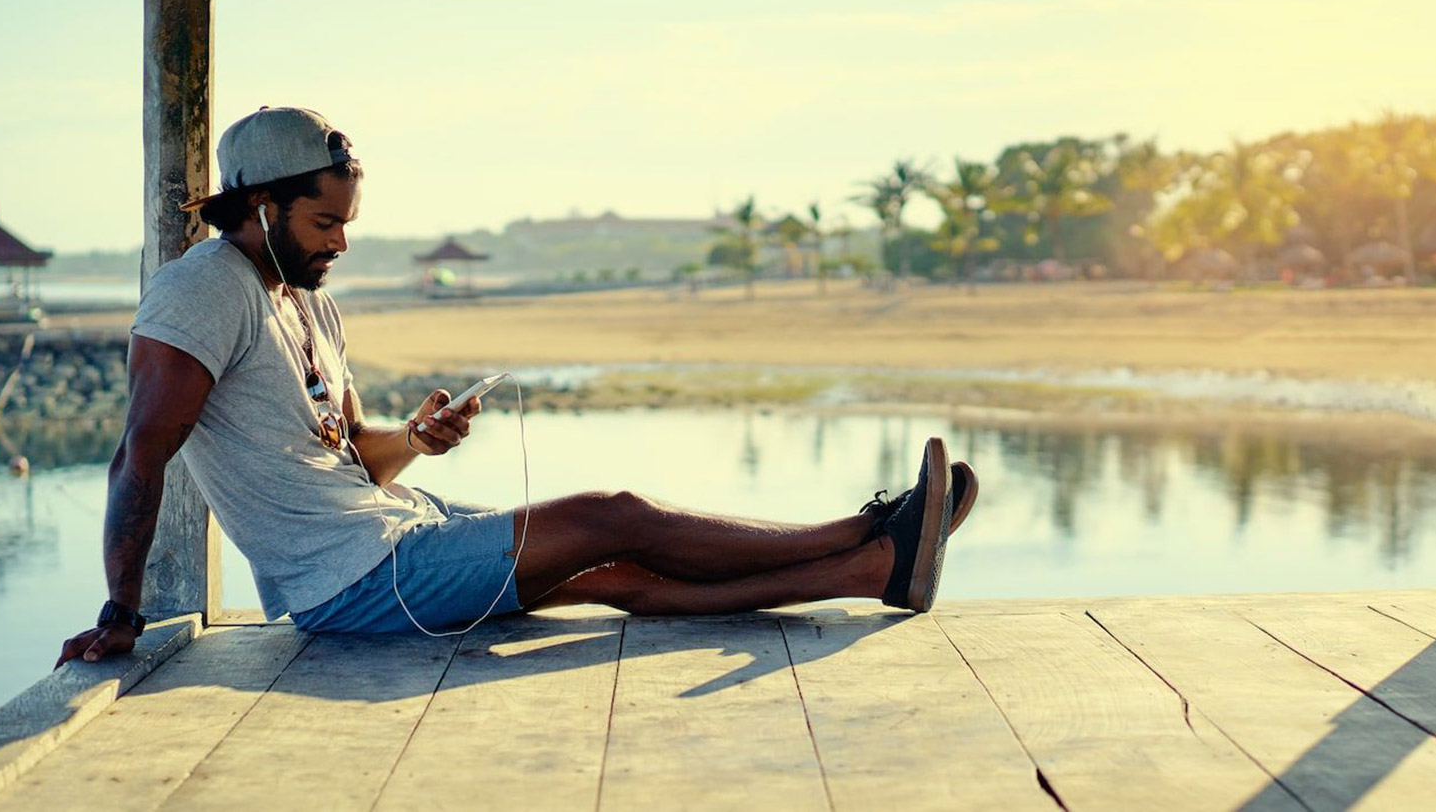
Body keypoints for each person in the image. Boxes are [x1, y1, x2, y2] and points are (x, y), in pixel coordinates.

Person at [58, 107, 979, 665]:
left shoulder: (303, 299)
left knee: (617, 575)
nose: (341, 241)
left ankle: (874, 569)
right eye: (324, 221)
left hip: (393, 535)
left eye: (347, 222)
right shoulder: (198, 293)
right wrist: (120, 613)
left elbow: (354, 459)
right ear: (261, 203)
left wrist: (413, 441)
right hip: (350, 585)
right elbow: (139, 459)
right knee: (611, 512)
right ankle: (867, 528)